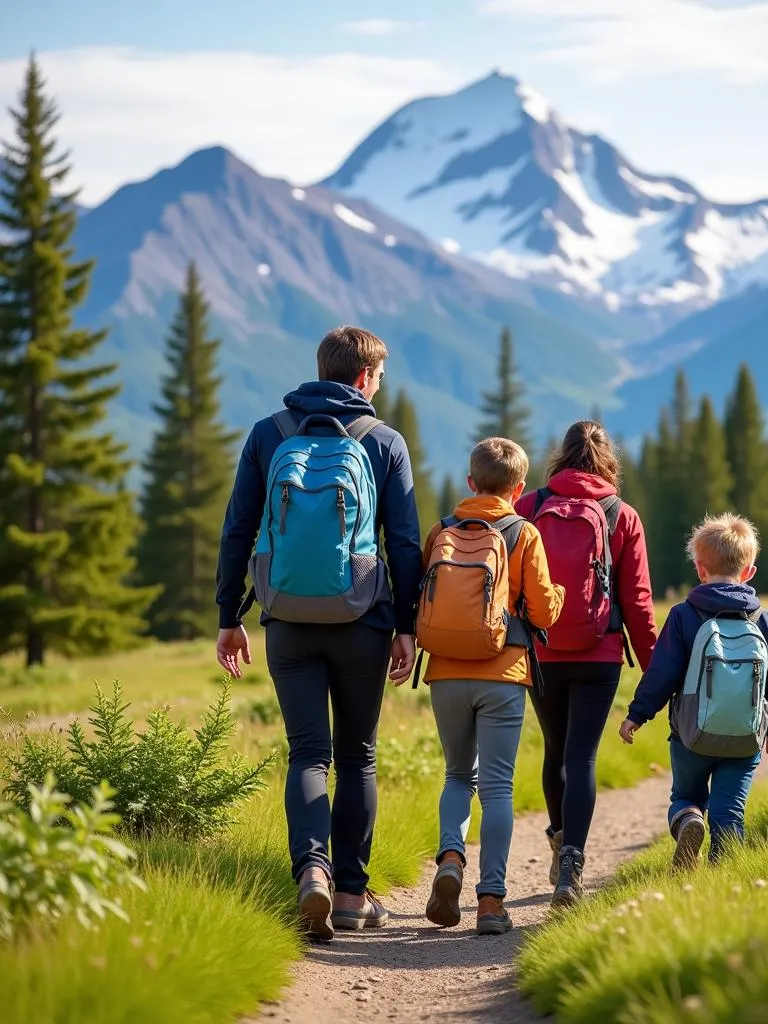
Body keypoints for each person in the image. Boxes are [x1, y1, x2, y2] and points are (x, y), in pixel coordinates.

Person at [215, 326, 421, 942]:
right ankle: (354, 896)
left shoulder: (269, 433)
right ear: (363, 377)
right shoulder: (382, 441)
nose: (379, 386)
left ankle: (312, 872)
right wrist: (407, 626)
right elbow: (404, 543)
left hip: (289, 619)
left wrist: (231, 616)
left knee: (308, 752)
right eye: (379, 377)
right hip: (363, 618)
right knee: (357, 754)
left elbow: (238, 528)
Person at [419, 437, 564, 935]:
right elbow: (544, 612)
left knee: (458, 775)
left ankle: (451, 860)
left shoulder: (442, 529)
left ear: (469, 482)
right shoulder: (524, 533)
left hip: (445, 671)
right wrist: (558, 595)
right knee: (497, 787)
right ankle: (490, 903)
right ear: (519, 488)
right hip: (503, 675)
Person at [515, 420, 657, 906]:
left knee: (555, 751)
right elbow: (637, 601)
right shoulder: (622, 515)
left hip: (543, 650)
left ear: (561, 456)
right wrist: (656, 666)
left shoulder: (529, 507)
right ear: (608, 460)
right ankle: (572, 862)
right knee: (582, 757)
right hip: (601, 653)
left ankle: (558, 841)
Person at [619, 513, 768, 868]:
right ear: (749, 572)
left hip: (690, 735)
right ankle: (724, 884)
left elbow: (661, 674)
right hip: (745, 737)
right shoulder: (766, 620)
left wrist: (637, 714)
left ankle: (688, 819)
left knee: (686, 795)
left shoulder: (684, 615)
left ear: (700, 569)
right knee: (729, 812)